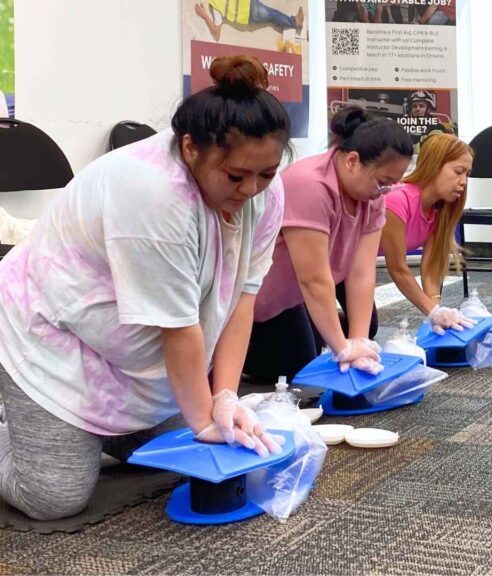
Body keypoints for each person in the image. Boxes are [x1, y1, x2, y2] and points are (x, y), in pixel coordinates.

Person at [0, 55, 289, 520]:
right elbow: (178, 328)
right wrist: (202, 420)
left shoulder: (265, 192)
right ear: (191, 148)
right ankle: (20, 415)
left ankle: (78, 432)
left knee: (183, 460)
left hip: (132, 355)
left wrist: (225, 398)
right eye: (235, 176)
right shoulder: (153, 193)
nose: (251, 189)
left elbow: (242, 299)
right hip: (51, 332)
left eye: (267, 174)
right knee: (54, 498)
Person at [245, 107, 414, 381]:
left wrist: (359, 343)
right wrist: (341, 347)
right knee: (293, 367)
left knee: (363, 329)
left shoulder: (372, 195)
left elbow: (361, 272)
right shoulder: (309, 184)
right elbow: (313, 279)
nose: (385, 192)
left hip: (292, 297)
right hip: (253, 302)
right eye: (383, 182)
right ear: (352, 161)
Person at [379, 132, 476, 334]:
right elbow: (397, 268)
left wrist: (436, 311)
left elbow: (431, 267)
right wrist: (432, 311)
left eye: (467, 174)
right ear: (434, 166)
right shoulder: (397, 200)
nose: (464, 181)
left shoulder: (438, 208)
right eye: (458, 171)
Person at [195, 0, 304, 42]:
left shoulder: (215, 6)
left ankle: (293, 21)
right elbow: (216, 34)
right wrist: (205, 15)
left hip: (249, 7)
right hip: (250, 12)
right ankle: (294, 22)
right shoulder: (215, 5)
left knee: (272, 14)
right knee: (272, 14)